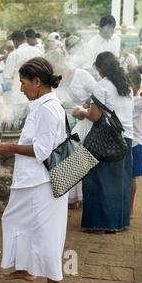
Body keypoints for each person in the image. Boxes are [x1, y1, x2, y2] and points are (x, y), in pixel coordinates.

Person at [0, 57, 68, 283]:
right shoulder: (43, 105)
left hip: (43, 182)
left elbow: (42, 150)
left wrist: (10, 148)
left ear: (37, 82)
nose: (21, 88)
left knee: (47, 236)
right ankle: (26, 268)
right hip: (33, 179)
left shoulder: (48, 109)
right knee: (15, 220)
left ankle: (53, 280)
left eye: (23, 83)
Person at [72, 51, 133, 233]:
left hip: (105, 140)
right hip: (125, 138)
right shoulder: (126, 85)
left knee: (97, 181)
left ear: (100, 69)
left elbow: (95, 116)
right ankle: (118, 223)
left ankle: (99, 224)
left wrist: (81, 113)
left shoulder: (101, 86)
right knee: (119, 183)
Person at [44, 49, 97, 209]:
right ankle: (66, 196)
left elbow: (97, 94)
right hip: (59, 121)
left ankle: (78, 197)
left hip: (80, 121)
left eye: (54, 67)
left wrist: (85, 109)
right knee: (62, 157)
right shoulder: (51, 79)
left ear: (62, 63)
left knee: (78, 158)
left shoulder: (81, 75)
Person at [3, 30, 43, 104]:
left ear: (15, 41)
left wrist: (16, 85)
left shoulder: (14, 55)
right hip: (37, 95)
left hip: (19, 97)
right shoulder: (38, 52)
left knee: (20, 116)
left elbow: (7, 77)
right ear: (25, 39)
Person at [127, 71, 142, 219]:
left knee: (132, 177)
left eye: (130, 84)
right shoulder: (124, 99)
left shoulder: (139, 101)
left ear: (137, 86)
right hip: (124, 142)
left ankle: (130, 209)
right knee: (124, 176)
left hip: (135, 143)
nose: (126, 86)